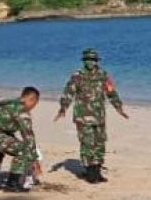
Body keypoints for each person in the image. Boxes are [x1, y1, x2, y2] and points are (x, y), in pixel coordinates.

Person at [55, 48, 128, 184]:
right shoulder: (77, 75)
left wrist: (118, 107)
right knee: (87, 143)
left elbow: (111, 92)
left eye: (93, 60)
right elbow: (68, 92)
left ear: (96, 61)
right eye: (88, 60)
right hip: (82, 117)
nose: (90, 62)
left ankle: (97, 171)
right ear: (84, 61)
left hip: (99, 116)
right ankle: (90, 172)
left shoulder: (103, 75)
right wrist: (63, 108)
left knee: (99, 143)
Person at [0, 86, 42, 193]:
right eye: (35, 103)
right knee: (24, 150)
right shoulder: (22, 111)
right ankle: (12, 184)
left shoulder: (7, 102)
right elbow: (29, 137)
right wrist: (35, 161)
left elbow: (1, 127)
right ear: (31, 99)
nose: (33, 107)